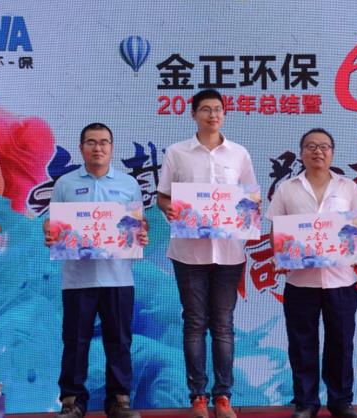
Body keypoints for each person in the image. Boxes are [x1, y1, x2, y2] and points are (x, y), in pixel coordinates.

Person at [156, 89, 258, 418]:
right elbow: (163, 197)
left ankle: (223, 396)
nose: (212, 115)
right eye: (205, 109)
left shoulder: (239, 154)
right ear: (194, 114)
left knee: (224, 325)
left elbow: (253, 197)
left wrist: (246, 208)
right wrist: (170, 209)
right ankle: (198, 396)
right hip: (188, 253)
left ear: (224, 114)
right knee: (195, 323)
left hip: (229, 253)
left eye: (217, 109)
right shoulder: (177, 153)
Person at [43, 123, 149, 418]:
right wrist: (49, 232)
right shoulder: (65, 184)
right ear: (81, 148)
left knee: (120, 341)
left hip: (118, 277)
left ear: (111, 148)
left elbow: (138, 224)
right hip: (78, 278)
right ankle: (72, 401)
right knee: (75, 341)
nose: (97, 148)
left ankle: (119, 400)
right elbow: (52, 222)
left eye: (103, 142)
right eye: (91, 142)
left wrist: (142, 234)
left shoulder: (128, 183)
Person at [265, 129, 357, 418]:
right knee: (302, 344)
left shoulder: (348, 187)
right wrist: (279, 255)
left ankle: (341, 401)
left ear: (332, 153)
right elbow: (276, 229)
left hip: (341, 280)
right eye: (311, 146)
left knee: (341, 343)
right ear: (302, 153)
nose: (318, 151)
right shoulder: (287, 188)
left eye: (324, 146)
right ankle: (305, 402)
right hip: (300, 281)